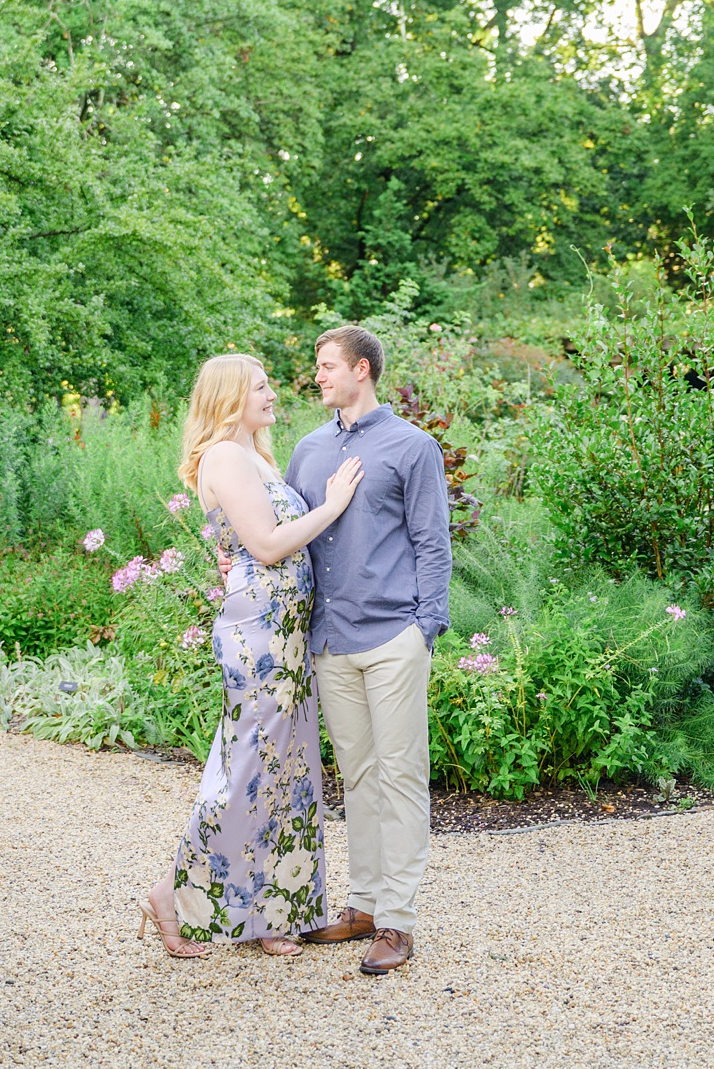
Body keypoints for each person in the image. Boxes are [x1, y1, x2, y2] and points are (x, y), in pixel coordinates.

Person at [140, 354, 362, 960]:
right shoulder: (225, 456)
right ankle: (171, 894)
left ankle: (266, 912)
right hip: (259, 635)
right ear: (232, 396)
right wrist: (333, 506)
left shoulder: (257, 457)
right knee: (246, 765)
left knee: (284, 770)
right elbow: (264, 546)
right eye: (261, 387)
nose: (273, 395)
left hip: (286, 631)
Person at [286, 324, 451, 977]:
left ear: (362, 370)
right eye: (316, 367)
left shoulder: (413, 448)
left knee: (401, 774)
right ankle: (362, 905)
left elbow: (433, 542)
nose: (318, 376)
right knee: (357, 777)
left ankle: (398, 921)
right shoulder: (307, 449)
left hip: (393, 639)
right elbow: (294, 532)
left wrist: (425, 628)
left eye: (327, 366)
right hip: (331, 641)